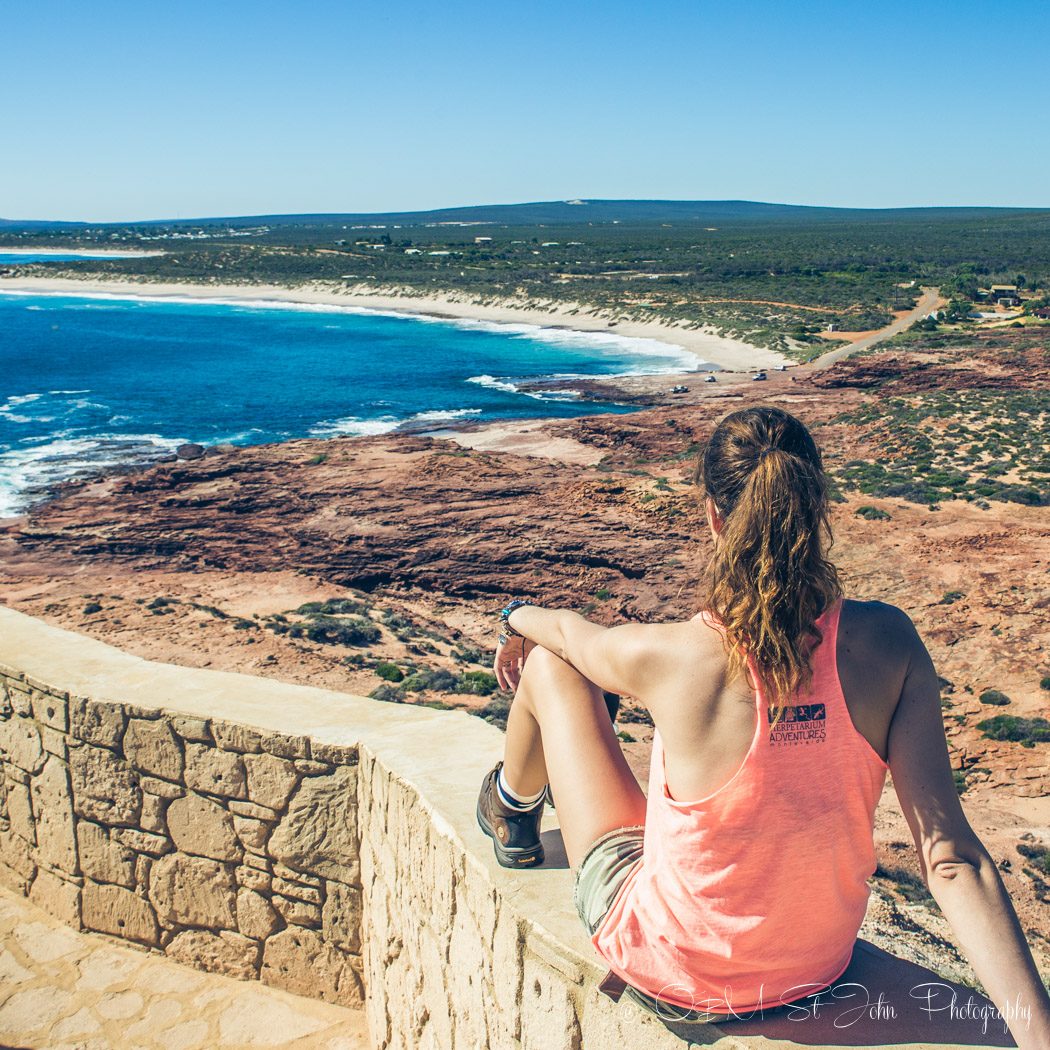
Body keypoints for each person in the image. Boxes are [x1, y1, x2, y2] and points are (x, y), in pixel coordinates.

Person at [475, 406, 1049, 1047]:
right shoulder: (889, 642)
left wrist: (514, 615)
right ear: (817, 506)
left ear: (716, 519)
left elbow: (569, 637)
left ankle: (511, 806)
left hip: (677, 971)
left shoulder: (670, 655)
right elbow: (952, 861)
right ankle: (515, 806)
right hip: (816, 970)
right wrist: (1037, 1032)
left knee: (552, 669)